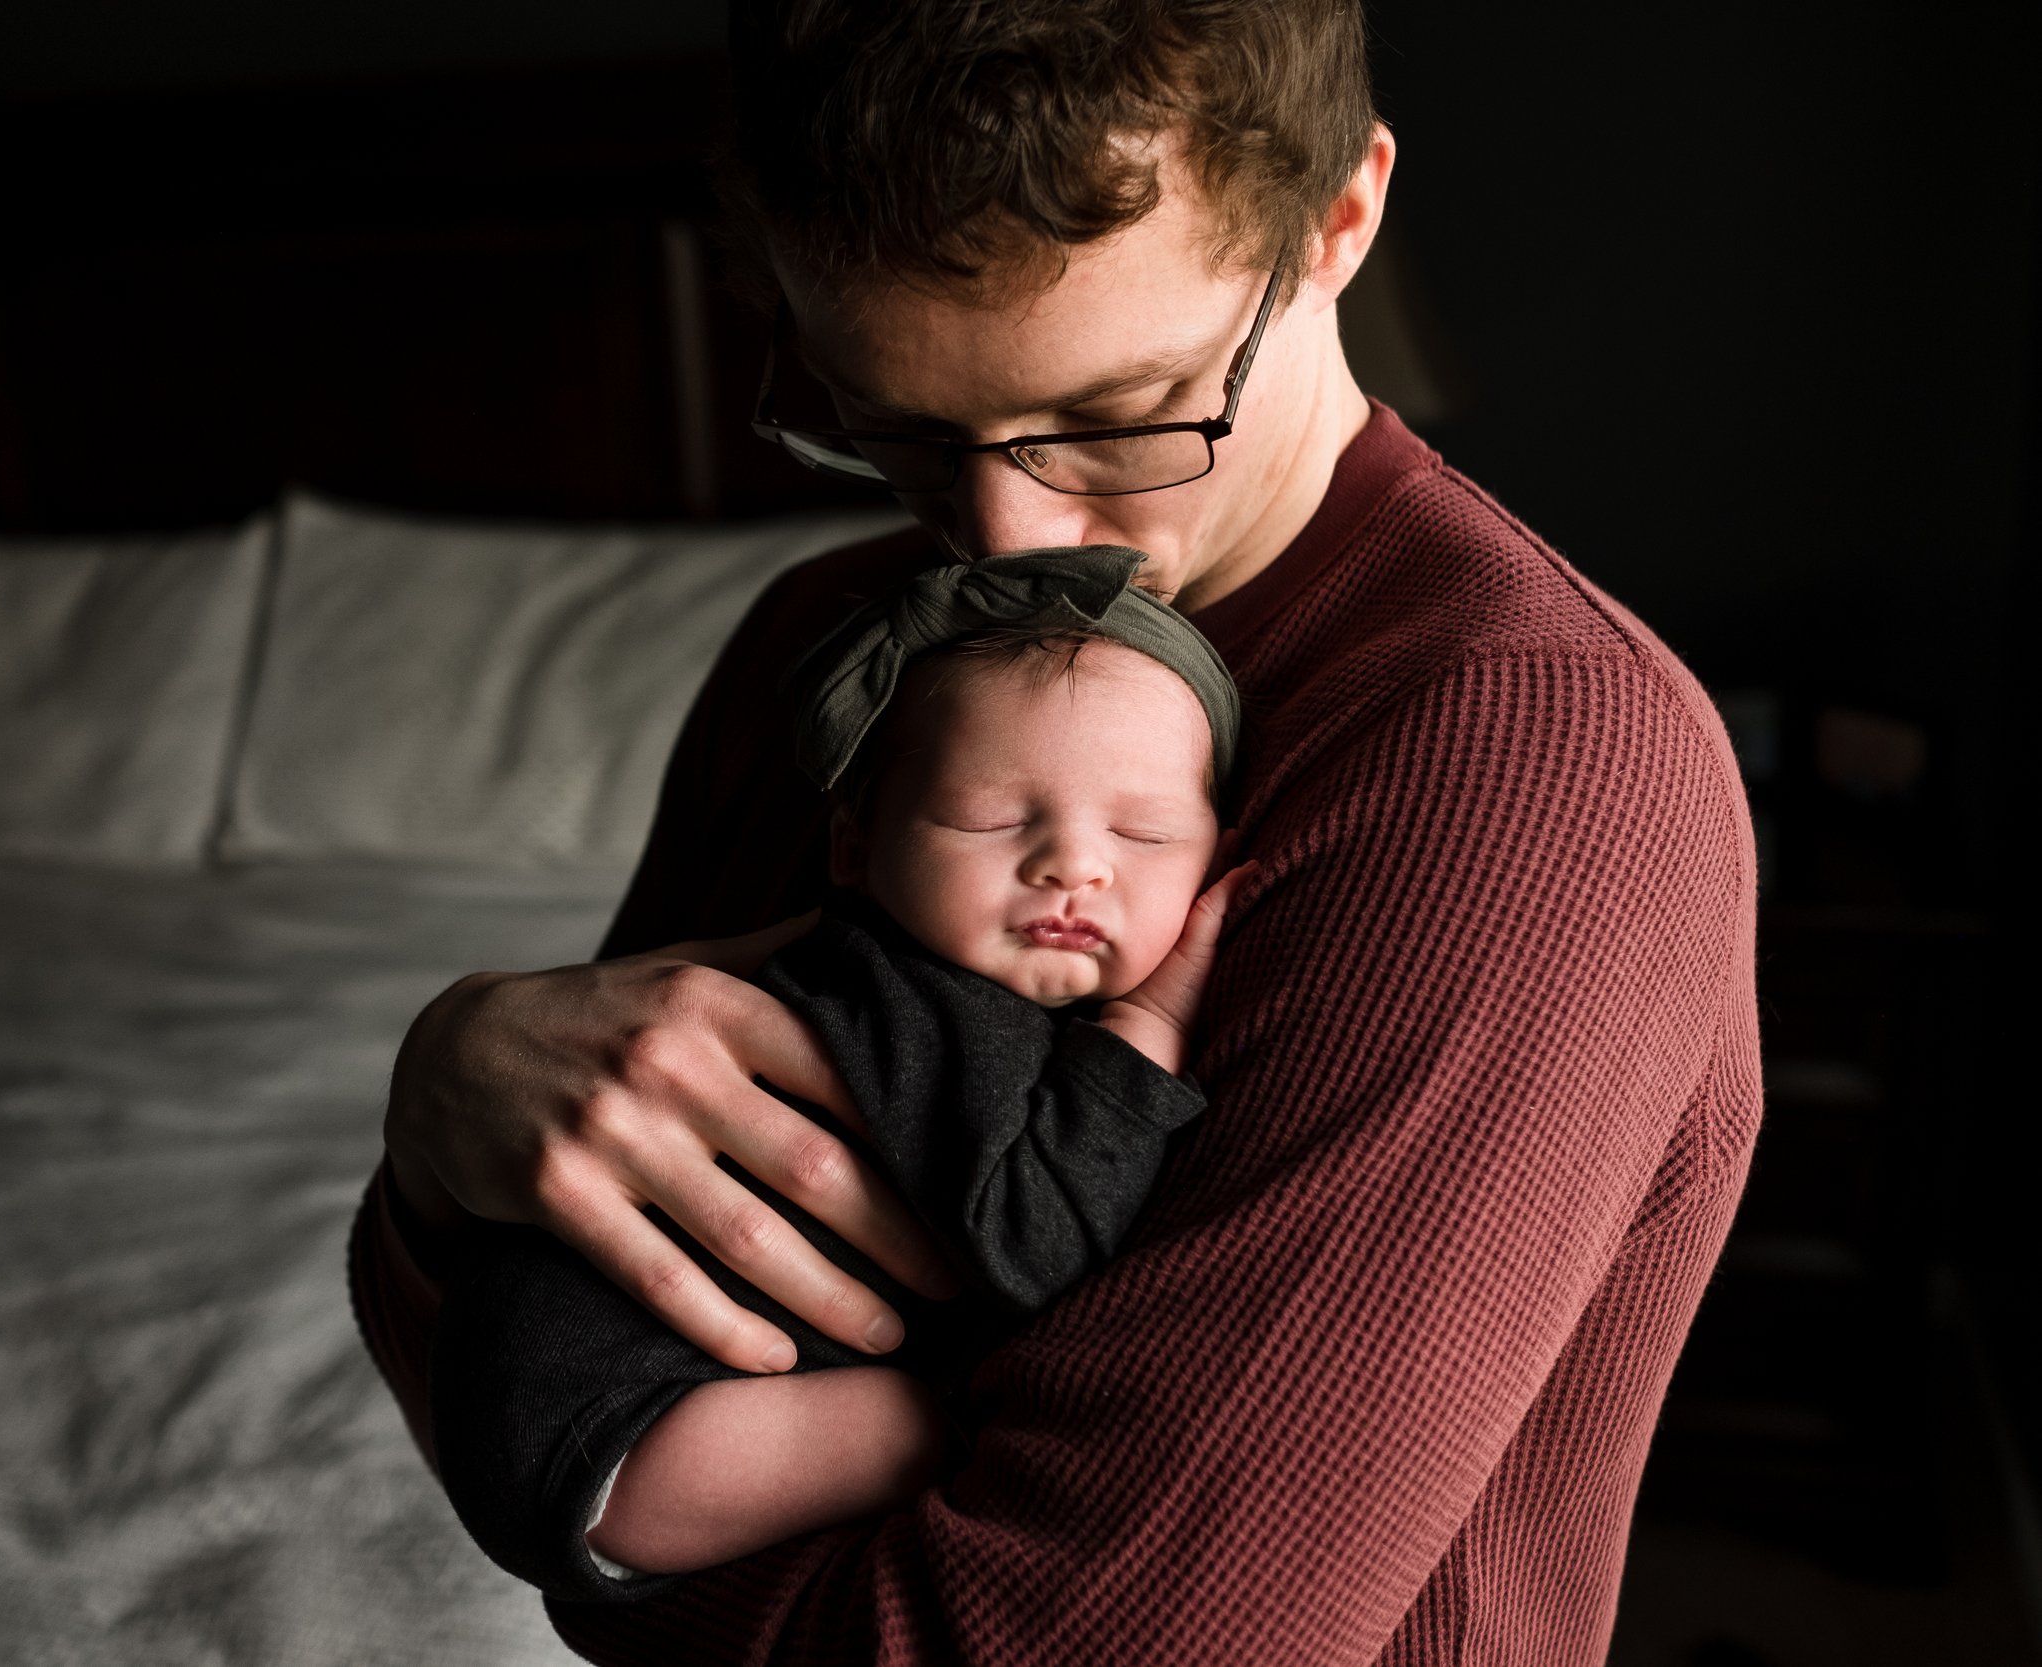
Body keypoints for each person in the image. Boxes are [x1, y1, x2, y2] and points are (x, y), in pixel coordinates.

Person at [352, 2, 1762, 1662]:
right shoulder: (831, 640)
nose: (1006, 537)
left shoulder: (1521, 761)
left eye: (1122, 411)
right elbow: (561, 1344)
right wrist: (443, 1124)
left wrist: (620, 1553)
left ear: (1341, 224)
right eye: (898, 429)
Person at [426, 549, 1256, 1599]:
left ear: (1217, 852)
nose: (1072, 864)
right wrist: (1146, 1023)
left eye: (1142, 833)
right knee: (986, 1412)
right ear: (856, 844)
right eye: (991, 819)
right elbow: (1039, 1244)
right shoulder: (916, 1002)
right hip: (621, 1439)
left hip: (557, 1415)